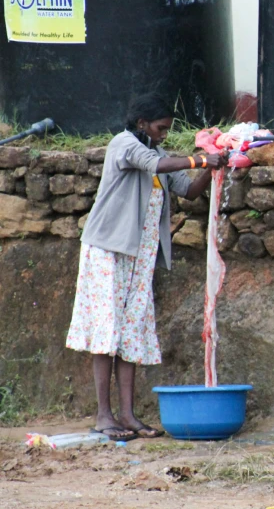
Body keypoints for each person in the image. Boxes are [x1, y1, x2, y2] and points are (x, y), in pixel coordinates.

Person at [66, 94, 228, 441]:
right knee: (107, 333)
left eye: (168, 129)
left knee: (131, 334)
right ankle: (103, 415)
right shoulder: (124, 145)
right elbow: (156, 166)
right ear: (142, 123)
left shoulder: (157, 153)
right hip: (108, 250)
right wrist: (200, 158)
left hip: (141, 255)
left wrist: (214, 167)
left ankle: (127, 415)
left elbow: (188, 191)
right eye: (160, 128)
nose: (164, 134)